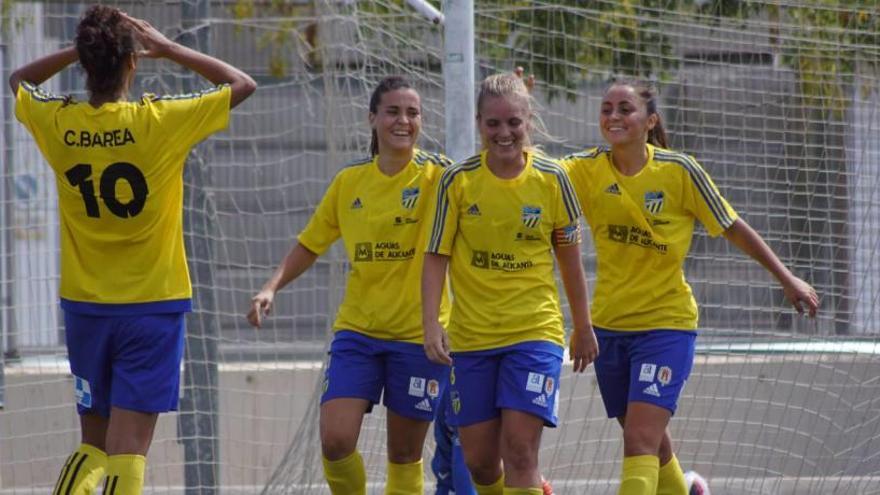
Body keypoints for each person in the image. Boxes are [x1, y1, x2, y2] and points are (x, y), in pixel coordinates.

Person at [10, 5, 256, 494]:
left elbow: (18, 79)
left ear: (84, 63)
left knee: (93, 446)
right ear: (133, 62)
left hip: (85, 307)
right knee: (128, 452)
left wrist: (80, 50)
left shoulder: (59, 122)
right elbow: (242, 83)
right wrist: (169, 47)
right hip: (152, 306)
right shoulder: (160, 121)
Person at [558, 78, 818, 495]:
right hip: (609, 329)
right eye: (606, 108)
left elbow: (731, 226)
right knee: (652, 444)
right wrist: (521, 102)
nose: (613, 116)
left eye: (625, 108)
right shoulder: (585, 168)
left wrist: (787, 278)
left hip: (666, 326)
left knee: (638, 440)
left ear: (650, 121)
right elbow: (533, 170)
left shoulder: (680, 171)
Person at [248, 76, 452, 495]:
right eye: (393, 111)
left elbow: (490, 178)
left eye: (412, 113)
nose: (403, 121)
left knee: (403, 456)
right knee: (336, 441)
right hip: (358, 333)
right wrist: (271, 287)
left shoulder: (440, 177)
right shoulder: (349, 182)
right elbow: (310, 243)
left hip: (420, 337)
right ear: (372, 119)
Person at [423, 73, 599, 495]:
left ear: (529, 122)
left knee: (520, 451)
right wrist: (431, 323)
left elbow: (571, 260)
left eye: (514, 122)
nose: (504, 133)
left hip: (533, 333)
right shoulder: (458, 181)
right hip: (473, 339)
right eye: (494, 124)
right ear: (479, 123)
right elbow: (435, 257)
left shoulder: (553, 179)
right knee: (481, 463)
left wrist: (583, 325)